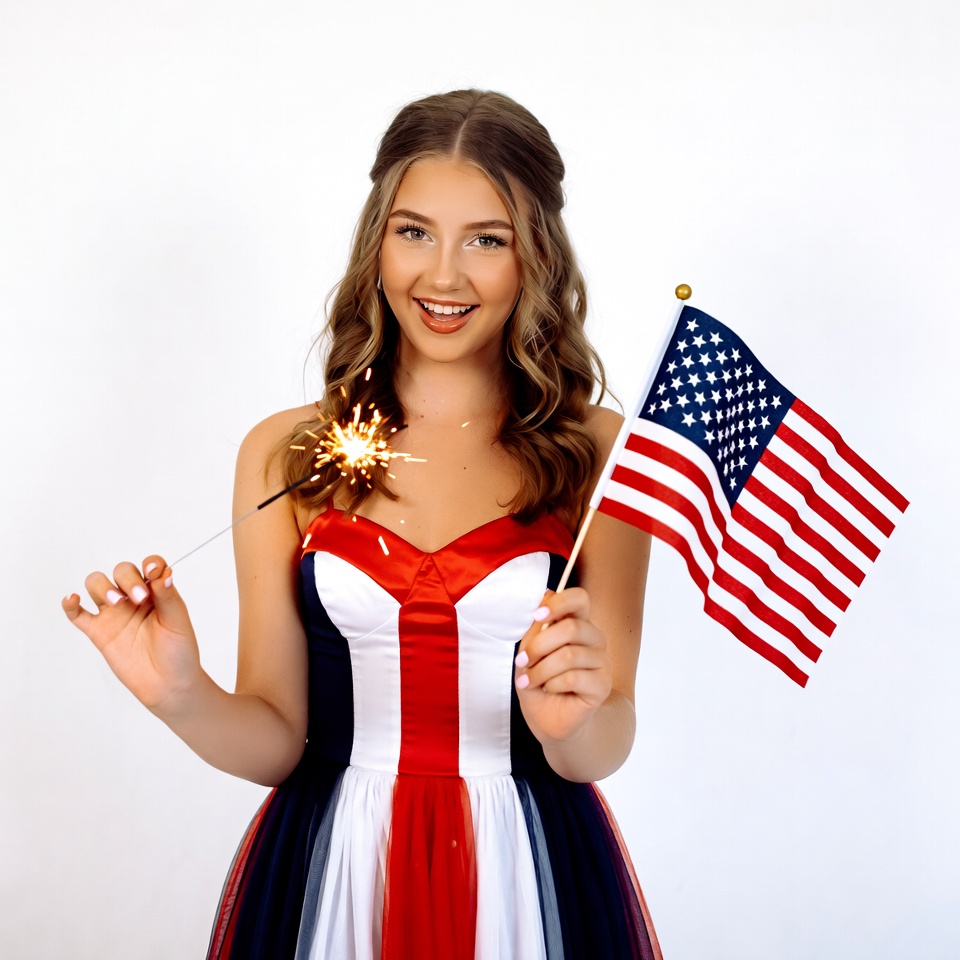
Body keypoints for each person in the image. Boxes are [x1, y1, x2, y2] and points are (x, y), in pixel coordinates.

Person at [62, 89, 662, 960]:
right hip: (339, 863)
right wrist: (180, 696)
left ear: (535, 256)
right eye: (415, 232)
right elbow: (278, 743)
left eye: (487, 240)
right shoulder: (286, 454)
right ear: (377, 240)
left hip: (527, 872)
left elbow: (606, 739)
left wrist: (572, 721)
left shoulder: (603, 454)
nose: (444, 277)